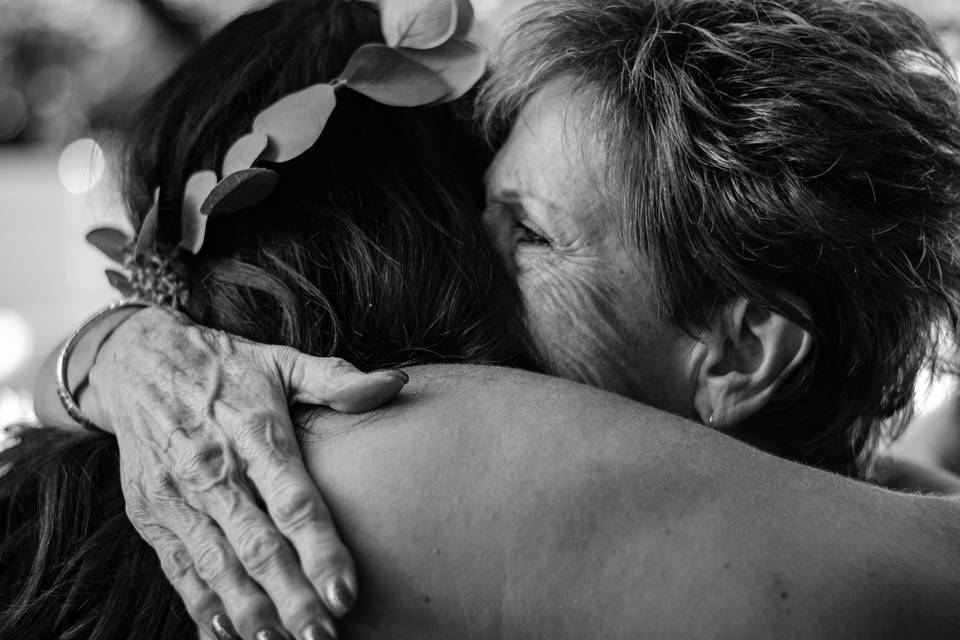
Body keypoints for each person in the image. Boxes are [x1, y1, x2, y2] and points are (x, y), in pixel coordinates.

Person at [32, 0, 960, 636]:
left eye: (530, 233)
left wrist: (113, 347)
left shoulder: (394, 448)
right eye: (479, 202)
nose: (465, 254)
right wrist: (118, 349)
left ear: (739, 351)